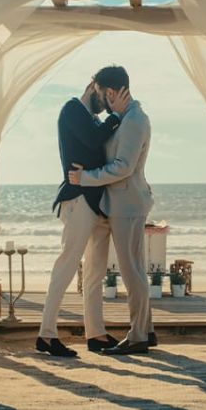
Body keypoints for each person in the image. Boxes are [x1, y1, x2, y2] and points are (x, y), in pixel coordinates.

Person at [36, 80, 129, 357]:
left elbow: (97, 142)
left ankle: (96, 334)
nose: (107, 102)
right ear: (93, 86)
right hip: (78, 199)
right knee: (66, 265)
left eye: (113, 99)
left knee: (95, 272)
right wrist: (116, 116)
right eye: (106, 95)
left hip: (98, 202)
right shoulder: (72, 108)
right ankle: (46, 334)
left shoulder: (94, 119)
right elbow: (92, 138)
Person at [69, 65, 154, 355]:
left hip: (127, 204)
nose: (103, 102)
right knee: (136, 270)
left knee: (131, 273)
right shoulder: (126, 118)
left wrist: (86, 178)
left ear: (113, 92)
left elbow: (123, 167)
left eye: (105, 95)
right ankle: (147, 330)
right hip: (123, 203)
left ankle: (138, 336)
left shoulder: (133, 121)